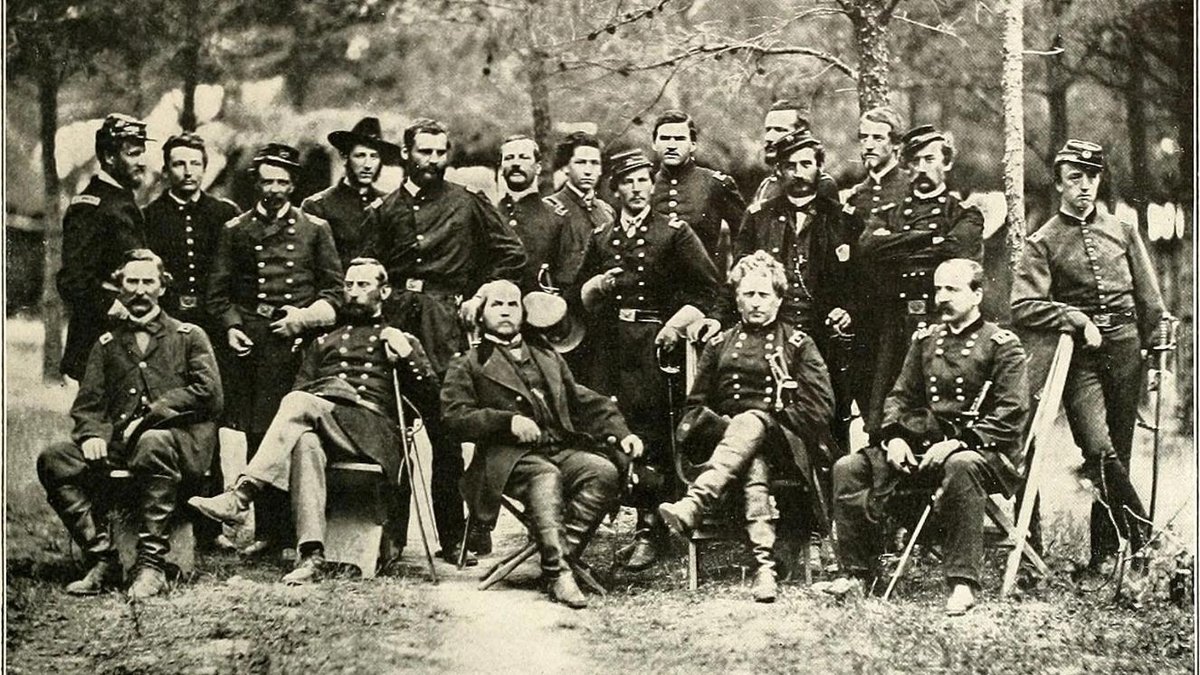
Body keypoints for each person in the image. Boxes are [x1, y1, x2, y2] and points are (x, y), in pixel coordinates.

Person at [189, 259, 440, 585]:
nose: (353, 293)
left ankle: (241, 496)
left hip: (373, 434)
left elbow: (431, 398)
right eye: (348, 285)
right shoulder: (323, 342)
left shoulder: (398, 338)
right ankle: (311, 556)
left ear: (385, 291)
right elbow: (300, 393)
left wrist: (406, 353)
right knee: (305, 440)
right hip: (329, 427)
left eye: (363, 285)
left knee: (297, 403)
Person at [358, 118, 526, 563]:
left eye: (439, 153)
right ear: (406, 154)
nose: (431, 161)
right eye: (423, 152)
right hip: (393, 326)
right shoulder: (383, 210)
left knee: (446, 435)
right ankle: (389, 540)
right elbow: (364, 269)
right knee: (388, 432)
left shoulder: (468, 203)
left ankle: (453, 538)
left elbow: (512, 255)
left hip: (444, 327)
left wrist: (482, 293)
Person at [831, 259, 1028, 616]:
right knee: (849, 467)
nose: (941, 297)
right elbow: (900, 396)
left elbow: (1011, 414)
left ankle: (962, 583)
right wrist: (893, 438)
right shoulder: (925, 339)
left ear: (977, 294)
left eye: (952, 289)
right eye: (938, 289)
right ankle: (857, 574)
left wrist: (958, 441)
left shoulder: (1002, 344)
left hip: (984, 451)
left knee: (961, 465)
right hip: (924, 445)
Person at [1011, 140, 1167, 570]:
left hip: (1126, 350)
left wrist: (1155, 357)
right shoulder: (1043, 241)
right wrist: (1075, 317)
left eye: (1092, 176)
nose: (1085, 186)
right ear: (1059, 183)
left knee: (1119, 450)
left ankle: (1103, 554)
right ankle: (1148, 540)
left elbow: (1150, 300)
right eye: (1075, 178)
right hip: (1080, 358)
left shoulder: (1123, 230)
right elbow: (1023, 305)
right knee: (1098, 450)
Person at [442, 280, 643, 607]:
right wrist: (506, 421)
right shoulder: (468, 362)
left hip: (557, 448)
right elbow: (454, 417)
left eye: (512, 304)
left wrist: (623, 433)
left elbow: (585, 401)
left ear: (523, 313)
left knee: (602, 470)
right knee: (545, 476)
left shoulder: (546, 355)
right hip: (507, 458)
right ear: (481, 314)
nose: (506, 310)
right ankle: (559, 573)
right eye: (497, 304)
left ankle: (559, 556)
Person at [38, 249, 223, 598]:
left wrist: (155, 412)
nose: (140, 290)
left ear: (163, 287)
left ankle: (151, 565)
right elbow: (88, 404)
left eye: (148, 282)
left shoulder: (188, 335)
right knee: (55, 460)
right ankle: (103, 558)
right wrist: (93, 434)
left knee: (153, 441)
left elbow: (210, 394)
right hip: (124, 449)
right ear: (120, 287)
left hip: (181, 448)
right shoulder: (107, 344)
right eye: (132, 282)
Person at [658, 251, 836, 602]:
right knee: (752, 462)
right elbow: (694, 406)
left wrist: (773, 418)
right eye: (748, 294)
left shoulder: (799, 344)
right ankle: (765, 569)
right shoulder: (719, 344)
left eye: (764, 295)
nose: (756, 303)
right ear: (736, 298)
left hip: (785, 444)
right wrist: (724, 428)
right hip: (729, 447)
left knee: (751, 421)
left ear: (779, 298)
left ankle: (696, 502)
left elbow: (821, 408)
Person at [577, 148, 725, 570]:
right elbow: (580, 298)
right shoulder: (602, 237)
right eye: (629, 182)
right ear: (616, 188)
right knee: (613, 426)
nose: (638, 189)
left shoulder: (673, 233)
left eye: (645, 180)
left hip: (655, 347)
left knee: (652, 433)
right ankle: (619, 514)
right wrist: (595, 287)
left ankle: (650, 529)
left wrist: (677, 325)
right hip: (610, 346)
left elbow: (710, 291)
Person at [206, 142, 343, 556]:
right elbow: (218, 294)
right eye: (267, 181)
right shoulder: (235, 231)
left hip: (298, 345)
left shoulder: (314, 229)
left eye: (283, 181)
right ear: (256, 183)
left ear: (294, 184)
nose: (274, 189)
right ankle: (268, 533)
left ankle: (291, 531)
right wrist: (231, 327)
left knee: (292, 434)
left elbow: (335, 292)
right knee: (256, 431)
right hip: (252, 343)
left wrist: (302, 318)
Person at [858, 125, 984, 439]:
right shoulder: (888, 213)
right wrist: (931, 238)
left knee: (943, 411)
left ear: (947, 163)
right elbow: (868, 248)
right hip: (896, 326)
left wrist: (899, 244)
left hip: (941, 322)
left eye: (930, 159)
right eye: (914, 162)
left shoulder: (963, 214)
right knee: (884, 418)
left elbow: (957, 250)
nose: (921, 168)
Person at [735, 130, 855, 450]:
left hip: (824, 334)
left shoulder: (842, 218)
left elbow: (860, 279)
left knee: (830, 418)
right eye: (791, 165)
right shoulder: (758, 217)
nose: (799, 172)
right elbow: (740, 275)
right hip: (773, 334)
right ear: (779, 171)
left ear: (819, 168)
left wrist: (847, 308)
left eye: (806, 164)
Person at [57, 113, 150, 380]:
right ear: (109, 157)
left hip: (125, 344)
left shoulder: (121, 200)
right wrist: (112, 305)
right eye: (133, 153)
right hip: (98, 343)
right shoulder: (91, 206)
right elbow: (73, 280)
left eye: (142, 152)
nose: (142, 161)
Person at [840, 106, 909, 450]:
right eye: (864, 137)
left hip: (902, 315)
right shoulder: (854, 198)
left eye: (877, 138)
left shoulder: (911, 188)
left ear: (895, 145)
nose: (868, 145)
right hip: (865, 317)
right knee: (867, 398)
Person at [144, 133, 242, 334]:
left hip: (215, 321)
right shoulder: (148, 216)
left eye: (195, 164)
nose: (188, 172)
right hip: (165, 319)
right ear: (165, 171)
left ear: (205, 169)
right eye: (179, 164)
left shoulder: (225, 213)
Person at [648, 110, 746, 269]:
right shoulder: (644, 184)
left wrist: (734, 277)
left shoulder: (715, 184)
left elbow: (744, 237)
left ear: (693, 144)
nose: (672, 145)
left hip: (703, 285)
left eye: (680, 139)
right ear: (654, 143)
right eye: (665, 138)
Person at [302, 117, 403, 269]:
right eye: (360, 155)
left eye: (374, 156)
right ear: (345, 157)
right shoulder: (318, 206)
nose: (368, 165)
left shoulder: (390, 202)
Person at [496, 134, 588, 295]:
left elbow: (567, 277)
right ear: (501, 167)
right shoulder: (488, 215)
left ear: (538, 167)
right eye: (509, 158)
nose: (516, 163)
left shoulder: (558, 219)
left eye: (524, 157)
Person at [750, 99, 838, 207]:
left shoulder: (818, 184)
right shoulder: (768, 184)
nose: (768, 137)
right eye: (768, 130)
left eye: (780, 130)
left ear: (801, 134)